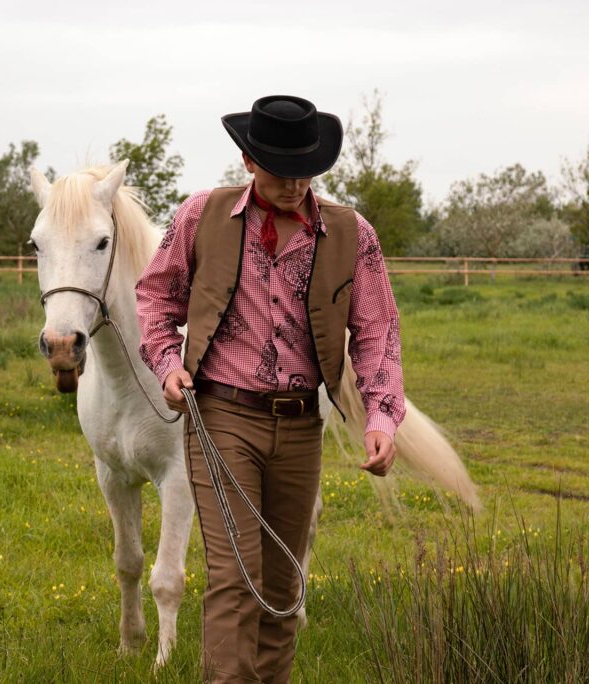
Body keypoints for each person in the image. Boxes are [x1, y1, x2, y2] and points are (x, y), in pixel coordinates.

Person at [135, 95, 405, 683]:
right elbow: (156, 295)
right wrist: (166, 362)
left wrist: (381, 418)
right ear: (248, 161)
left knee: (284, 586)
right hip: (222, 415)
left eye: (305, 171)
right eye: (281, 171)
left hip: (302, 422)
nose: (294, 184)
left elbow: (379, 327)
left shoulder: (351, 234)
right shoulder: (200, 216)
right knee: (236, 576)